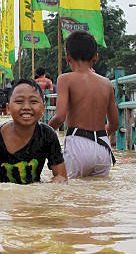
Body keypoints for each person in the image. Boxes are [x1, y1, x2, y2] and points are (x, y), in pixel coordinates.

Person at [48, 31, 119, 179]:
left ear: (67, 57)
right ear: (96, 57)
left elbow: (60, 117)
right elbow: (114, 125)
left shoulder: (65, 79)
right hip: (102, 146)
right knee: (98, 196)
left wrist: (42, 133)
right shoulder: (107, 83)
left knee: (68, 192)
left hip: (77, 144)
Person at [0, 79, 67, 184]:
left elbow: (61, 176)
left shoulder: (47, 135)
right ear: (8, 108)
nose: (26, 107)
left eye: (33, 101)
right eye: (19, 101)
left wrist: (44, 193)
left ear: (43, 108)